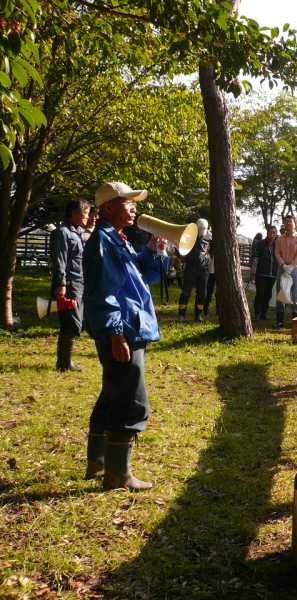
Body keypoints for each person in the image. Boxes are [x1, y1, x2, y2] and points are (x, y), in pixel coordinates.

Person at [83, 181, 168, 490]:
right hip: (124, 330)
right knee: (131, 398)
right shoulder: (102, 243)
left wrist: (152, 251)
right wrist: (116, 334)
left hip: (129, 326)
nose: (134, 206)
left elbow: (141, 278)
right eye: (127, 201)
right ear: (107, 208)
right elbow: (103, 292)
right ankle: (118, 473)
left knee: (112, 392)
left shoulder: (117, 239)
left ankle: (98, 461)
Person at [50, 199, 90, 371]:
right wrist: (61, 283)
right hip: (69, 284)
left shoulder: (78, 232)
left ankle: (64, 362)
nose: (87, 217)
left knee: (77, 323)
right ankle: (64, 364)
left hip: (79, 283)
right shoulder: (62, 232)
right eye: (85, 213)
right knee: (71, 324)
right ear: (74, 213)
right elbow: (60, 260)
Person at [178, 218, 211, 322]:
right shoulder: (188, 236)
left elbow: (213, 252)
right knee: (186, 292)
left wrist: (206, 258)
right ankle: (182, 314)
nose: (202, 231)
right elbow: (179, 249)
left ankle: (198, 315)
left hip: (203, 270)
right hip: (191, 268)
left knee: (202, 294)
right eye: (200, 228)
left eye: (204, 228)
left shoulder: (210, 238)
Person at [275, 214, 297, 327]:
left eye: (290, 222)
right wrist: (283, 265)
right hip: (282, 268)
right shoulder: (279, 238)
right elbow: (277, 252)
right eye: (286, 222)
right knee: (281, 291)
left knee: (295, 292)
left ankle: (295, 317)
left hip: (296, 268)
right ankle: (279, 319)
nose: (288, 223)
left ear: (295, 224)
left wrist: (292, 266)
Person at [253, 225, 278, 322]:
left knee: (268, 294)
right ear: (267, 233)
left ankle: (264, 313)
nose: (273, 234)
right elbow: (255, 257)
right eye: (271, 232)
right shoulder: (260, 243)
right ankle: (257, 313)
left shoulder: (277, 244)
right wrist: (253, 270)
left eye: (274, 233)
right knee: (260, 293)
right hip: (261, 273)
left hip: (273, 274)